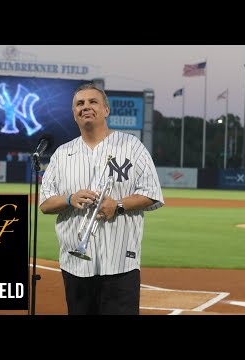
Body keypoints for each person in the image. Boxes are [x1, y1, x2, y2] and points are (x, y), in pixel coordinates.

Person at [39, 83, 164, 315]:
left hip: (120, 263)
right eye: (80, 103)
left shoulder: (132, 146)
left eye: (93, 102)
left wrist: (117, 205)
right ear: (74, 114)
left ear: (106, 110)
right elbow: (45, 204)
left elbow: (152, 193)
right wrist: (69, 199)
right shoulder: (62, 154)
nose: (86, 107)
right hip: (75, 264)